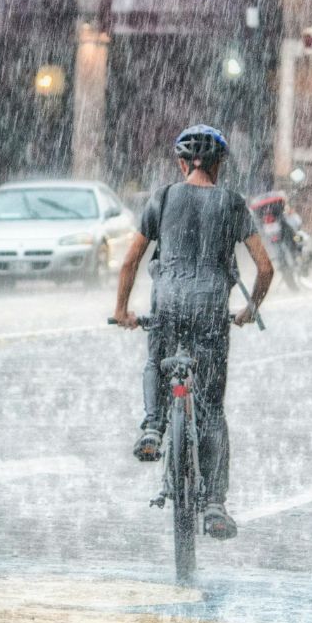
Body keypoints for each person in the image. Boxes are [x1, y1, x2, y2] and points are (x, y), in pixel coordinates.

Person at [112, 124, 274, 540]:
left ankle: (152, 426)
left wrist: (122, 310)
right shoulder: (233, 204)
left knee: (156, 359)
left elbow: (130, 262)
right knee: (212, 410)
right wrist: (249, 308)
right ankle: (216, 504)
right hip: (210, 311)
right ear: (219, 165)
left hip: (167, 304)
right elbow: (265, 267)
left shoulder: (163, 198)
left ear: (182, 163)